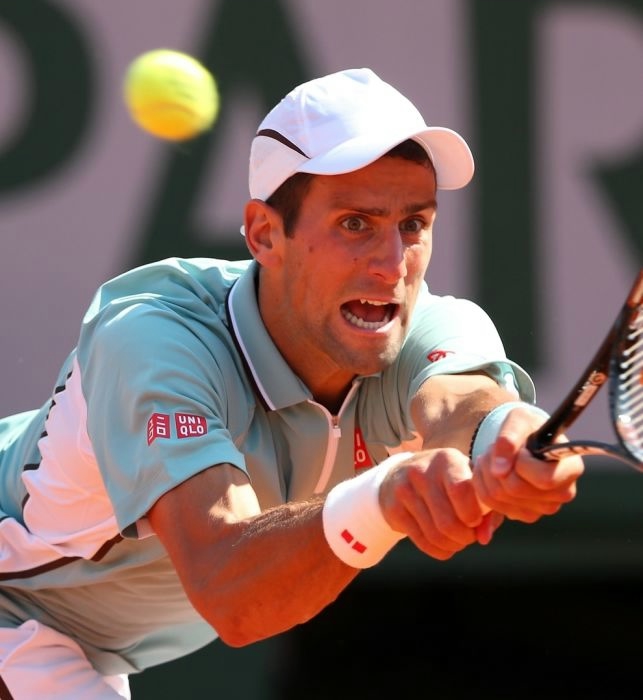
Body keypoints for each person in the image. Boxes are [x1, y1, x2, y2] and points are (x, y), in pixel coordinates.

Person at [0, 67, 584, 698]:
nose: (393, 265)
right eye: (356, 224)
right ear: (264, 234)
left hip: (64, 648)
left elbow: (465, 403)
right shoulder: (153, 337)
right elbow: (234, 589)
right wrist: (383, 497)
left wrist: (505, 438)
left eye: (413, 224)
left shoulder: (430, 327)